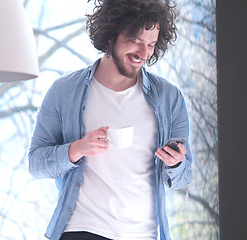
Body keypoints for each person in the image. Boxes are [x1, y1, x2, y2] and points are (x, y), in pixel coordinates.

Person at [28, 0, 193, 239]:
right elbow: (36, 163)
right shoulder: (63, 91)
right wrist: (77, 148)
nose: (144, 53)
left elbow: (184, 176)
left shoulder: (170, 98)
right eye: (135, 41)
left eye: (151, 44)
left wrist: (176, 163)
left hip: (143, 234)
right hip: (82, 230)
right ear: (110, 35)